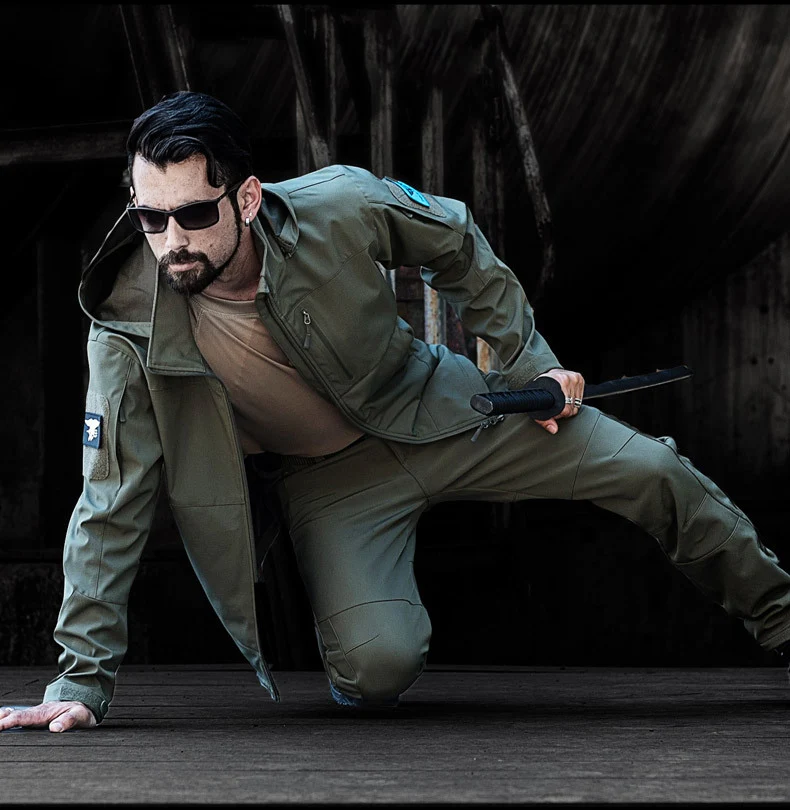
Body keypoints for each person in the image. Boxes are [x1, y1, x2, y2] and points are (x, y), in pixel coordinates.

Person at [3, 90, 790, 733]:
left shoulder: (339, 204)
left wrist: (530, 364)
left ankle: (783, 623)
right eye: (150, 218)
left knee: (652, 469)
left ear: (246, 197)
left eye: (194, 215)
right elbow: (111, 498)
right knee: (377, 669)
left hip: (444, 408)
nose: (171, 240)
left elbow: (454, 240)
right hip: (330, 483)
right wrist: (83, 681)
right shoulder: (127, 328)